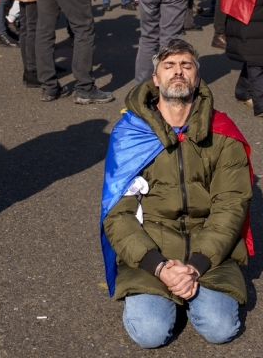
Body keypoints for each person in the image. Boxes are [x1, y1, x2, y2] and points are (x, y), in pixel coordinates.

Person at [101, 39, 252, 349]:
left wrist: (195, 266)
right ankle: (171, 292)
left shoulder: (221, 132)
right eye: (169, 66)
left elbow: (231, 205)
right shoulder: (131, 134)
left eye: (186, 65)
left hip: (210, 252)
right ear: (156, 79)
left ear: (197, 76)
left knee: (220, 328)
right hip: (152, 250)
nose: (178, 72)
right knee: (150, 334)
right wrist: (159, 267)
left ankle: (190, 292)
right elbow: (118, 214)